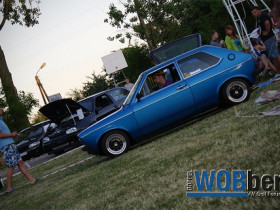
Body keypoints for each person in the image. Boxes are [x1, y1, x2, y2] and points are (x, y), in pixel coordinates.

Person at [0, 108, 39, 194]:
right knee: (11, 166)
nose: (1, 109)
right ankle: (9, 189)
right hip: (6, 146)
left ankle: (32, 180)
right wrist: (11, 134)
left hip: (11, 145)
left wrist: (11, 135)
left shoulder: (1, 120)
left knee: (20, 162)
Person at [251, 6, 280, 74]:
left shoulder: (262, 16)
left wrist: (267, 31)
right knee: (273, 56)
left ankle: (278, 71)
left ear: (258, 10)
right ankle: (278, 71)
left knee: (275, 56)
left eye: (254, 12)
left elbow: (267, 23)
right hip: (267, 38)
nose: (254, 14)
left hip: (268, 38)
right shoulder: (261, 17)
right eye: (252, 13)